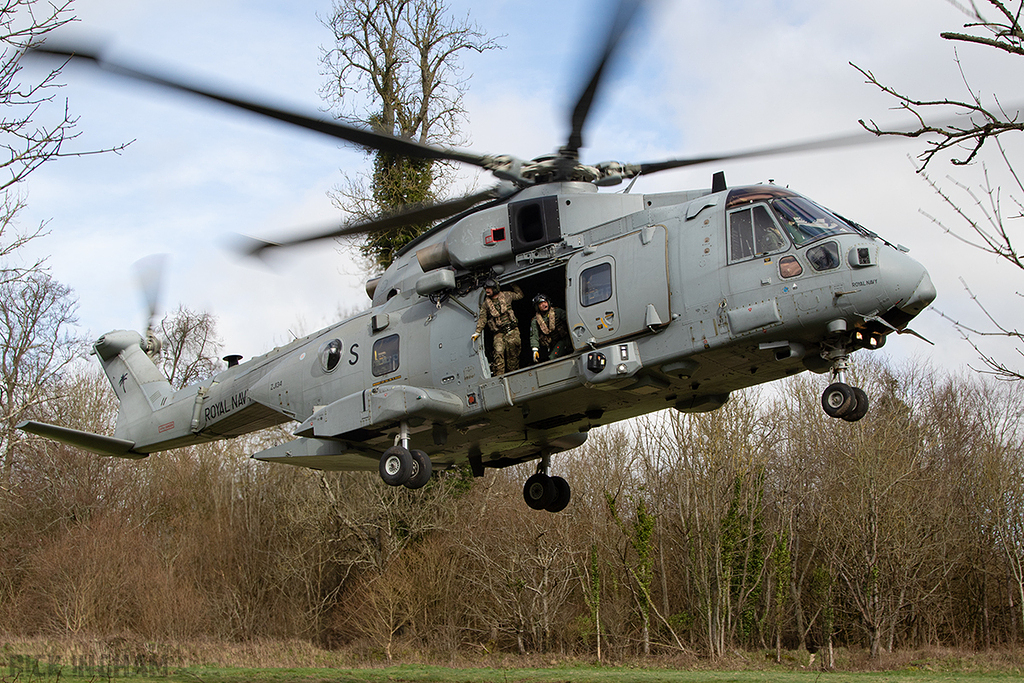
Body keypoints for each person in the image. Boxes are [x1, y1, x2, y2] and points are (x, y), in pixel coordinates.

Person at [472, 279, 524, 374]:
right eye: (486, 288)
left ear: (495, 288)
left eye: (489, 288)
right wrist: (477, 332)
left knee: (513, 356)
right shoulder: (486, 304)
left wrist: (512, 283)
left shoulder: (506, 295)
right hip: (498, 333)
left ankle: (514, 374)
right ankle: (499, 376)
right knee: (498, 354)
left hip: (512, 331)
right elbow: (483, 318)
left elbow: (519, 295)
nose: (487, 290)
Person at [529, 293, 570, 363]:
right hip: (551, 345)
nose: (544, 305)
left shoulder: (557, 312)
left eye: (545, 302)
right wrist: (535, 350)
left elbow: (570, 319)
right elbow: (534, 335)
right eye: (541, 304)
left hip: (564, 340)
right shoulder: (535, 321)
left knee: (553, 357)